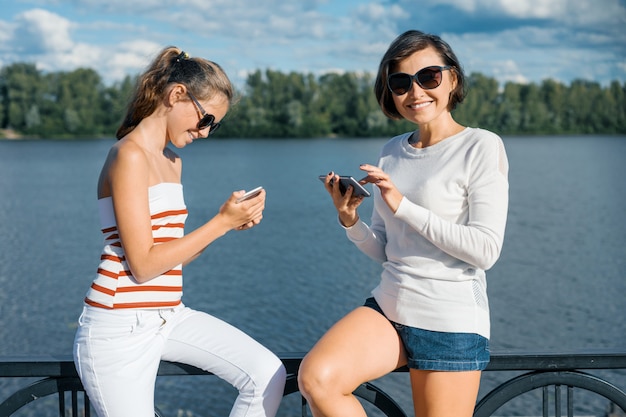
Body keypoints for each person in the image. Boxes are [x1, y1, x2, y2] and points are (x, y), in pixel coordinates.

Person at [298, 30, 509, 417]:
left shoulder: (482, 145)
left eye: (428, 77)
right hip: (390, 307)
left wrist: (404, 205)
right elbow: (385, 248)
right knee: (317, 380)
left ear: (453, 79)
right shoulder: (392, 151)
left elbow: (485, 250)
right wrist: (350, 221)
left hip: (450, 319)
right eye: (400, 82)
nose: (415, 91)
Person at [73, 47, 286, 417]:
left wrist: (229, 226)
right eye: (206, 120)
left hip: (169, 315)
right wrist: (220, 221)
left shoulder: (173, 163)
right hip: (118, 328)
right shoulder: (129, 155)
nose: (205, 133)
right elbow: (142, 265)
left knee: (267, 374)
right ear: (177, 95)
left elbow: (171, 253)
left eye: (214, 126)